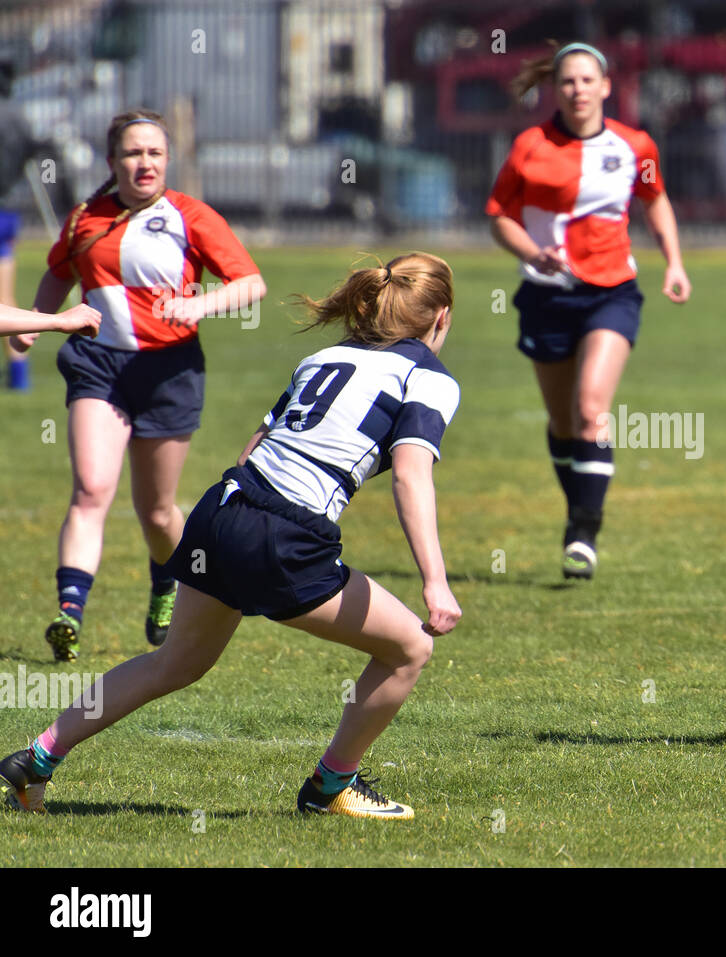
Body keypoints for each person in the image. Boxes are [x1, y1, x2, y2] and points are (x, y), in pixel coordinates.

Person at [1, 252, 463, 819]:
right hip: (282, 533)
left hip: (224, 506)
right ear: (440, 317)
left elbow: (256, 442)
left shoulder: (324, 357)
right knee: (409, 648)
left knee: (175, 662)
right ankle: (330, 788)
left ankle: (36, 759)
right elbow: (412, 476)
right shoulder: (429, 378)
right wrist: (435, 583)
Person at [11, 110, 267, 661]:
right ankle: (69, 613)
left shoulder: (192, 216)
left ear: (167, 159)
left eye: (154, 152)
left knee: (156, 510)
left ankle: (166, 583)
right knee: (91, 488)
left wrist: (199, 303)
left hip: (169, 371)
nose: (144, 162)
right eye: (132, 152)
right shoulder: (86, 216)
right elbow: (60, 269)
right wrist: (37, 321)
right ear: (112, 162)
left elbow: (251, 283)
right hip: (97, 366)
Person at [486, 41, 691, 579]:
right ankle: (577, 510)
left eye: (587, 80)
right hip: (545, 296)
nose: (578, 90)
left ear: (606, 86)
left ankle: (584, 528)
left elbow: (655, 199)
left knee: (591, 409)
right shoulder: (530, 145)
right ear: (557, 89)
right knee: (561, 421)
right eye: (567, 82)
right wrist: (533, 253)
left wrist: (673, 262)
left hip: (612, 291)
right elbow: (498, 216)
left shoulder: (634, 145)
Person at [0, 57, 45, 391]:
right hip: (8, 212)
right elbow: (33, 149)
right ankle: (19, 374)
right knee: (5, 295)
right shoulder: (18, 114)